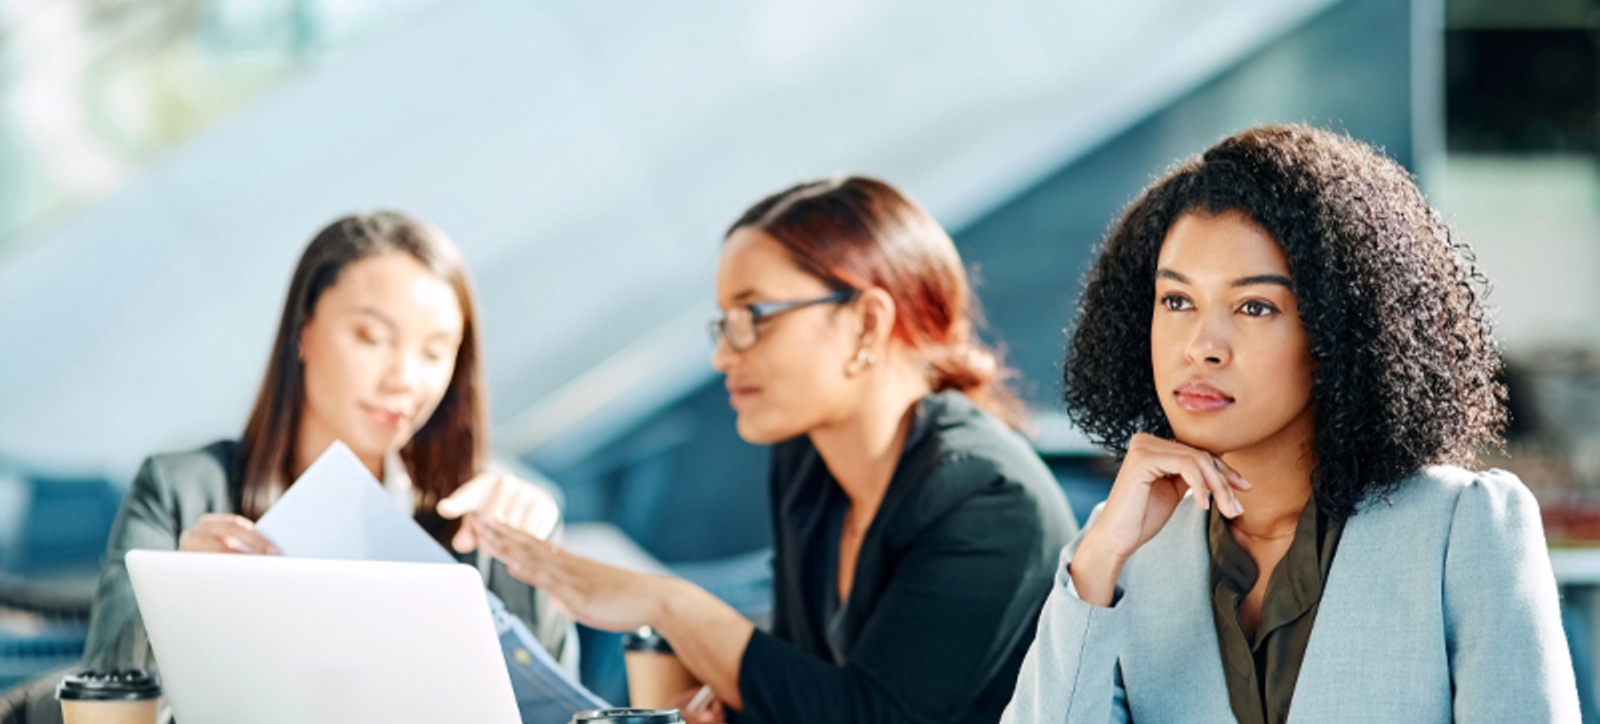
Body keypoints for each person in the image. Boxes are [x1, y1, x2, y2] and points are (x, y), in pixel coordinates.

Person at [1001, 124, 1581, 723]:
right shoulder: (1123, 549)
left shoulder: (1459, 528)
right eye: (1176, 301)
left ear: (1340, 331)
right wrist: (1097, 565)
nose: (1202, 346)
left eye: (1255, 307)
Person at [472, 176, 1077, 723]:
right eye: (724, 322)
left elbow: (872, 718)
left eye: (753, 315)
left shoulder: (987, 496)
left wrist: (669, 603)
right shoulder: (809, 458)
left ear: (867, 322)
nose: (724, 355)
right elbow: (804, 688)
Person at [78, 211, 569, 678]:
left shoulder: (481, 519)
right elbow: (104, 701)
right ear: (302, 332)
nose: (405, 379)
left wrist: (535, 567)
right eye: (372, 337)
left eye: (435, 353)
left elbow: (560, 708)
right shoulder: (179, 493)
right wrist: (183, 607)